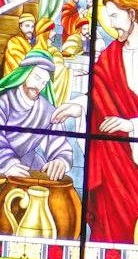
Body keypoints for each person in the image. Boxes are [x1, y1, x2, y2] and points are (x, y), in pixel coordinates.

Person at [88, 0, 138, 243]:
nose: (112, 24)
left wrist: (131, 125)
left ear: (132, 14)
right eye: (108, 18)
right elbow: (98, 97)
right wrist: (77, 107)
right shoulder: (108, 57)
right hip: (113, 159)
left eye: (115, 16)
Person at [0, 53, 83, 181]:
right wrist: (7, 163)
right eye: (37, 78)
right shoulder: (4, 101)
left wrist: (60, 160)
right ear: (24, 74)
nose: (40, 86)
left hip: (29, 167)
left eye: (44, 82)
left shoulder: (47, 110)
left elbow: (59, 143)